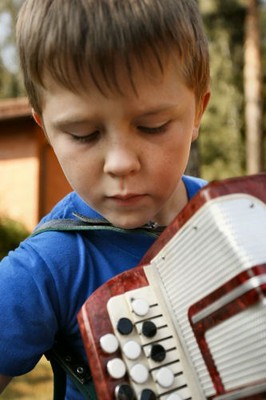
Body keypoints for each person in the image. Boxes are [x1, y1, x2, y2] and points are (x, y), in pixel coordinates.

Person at [0, 0, 210, 398]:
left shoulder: (233, 215)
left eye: (153, 126)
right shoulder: (48, 268)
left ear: (198, 109)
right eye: (83, 134)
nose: (121, 163)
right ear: (45, 128)